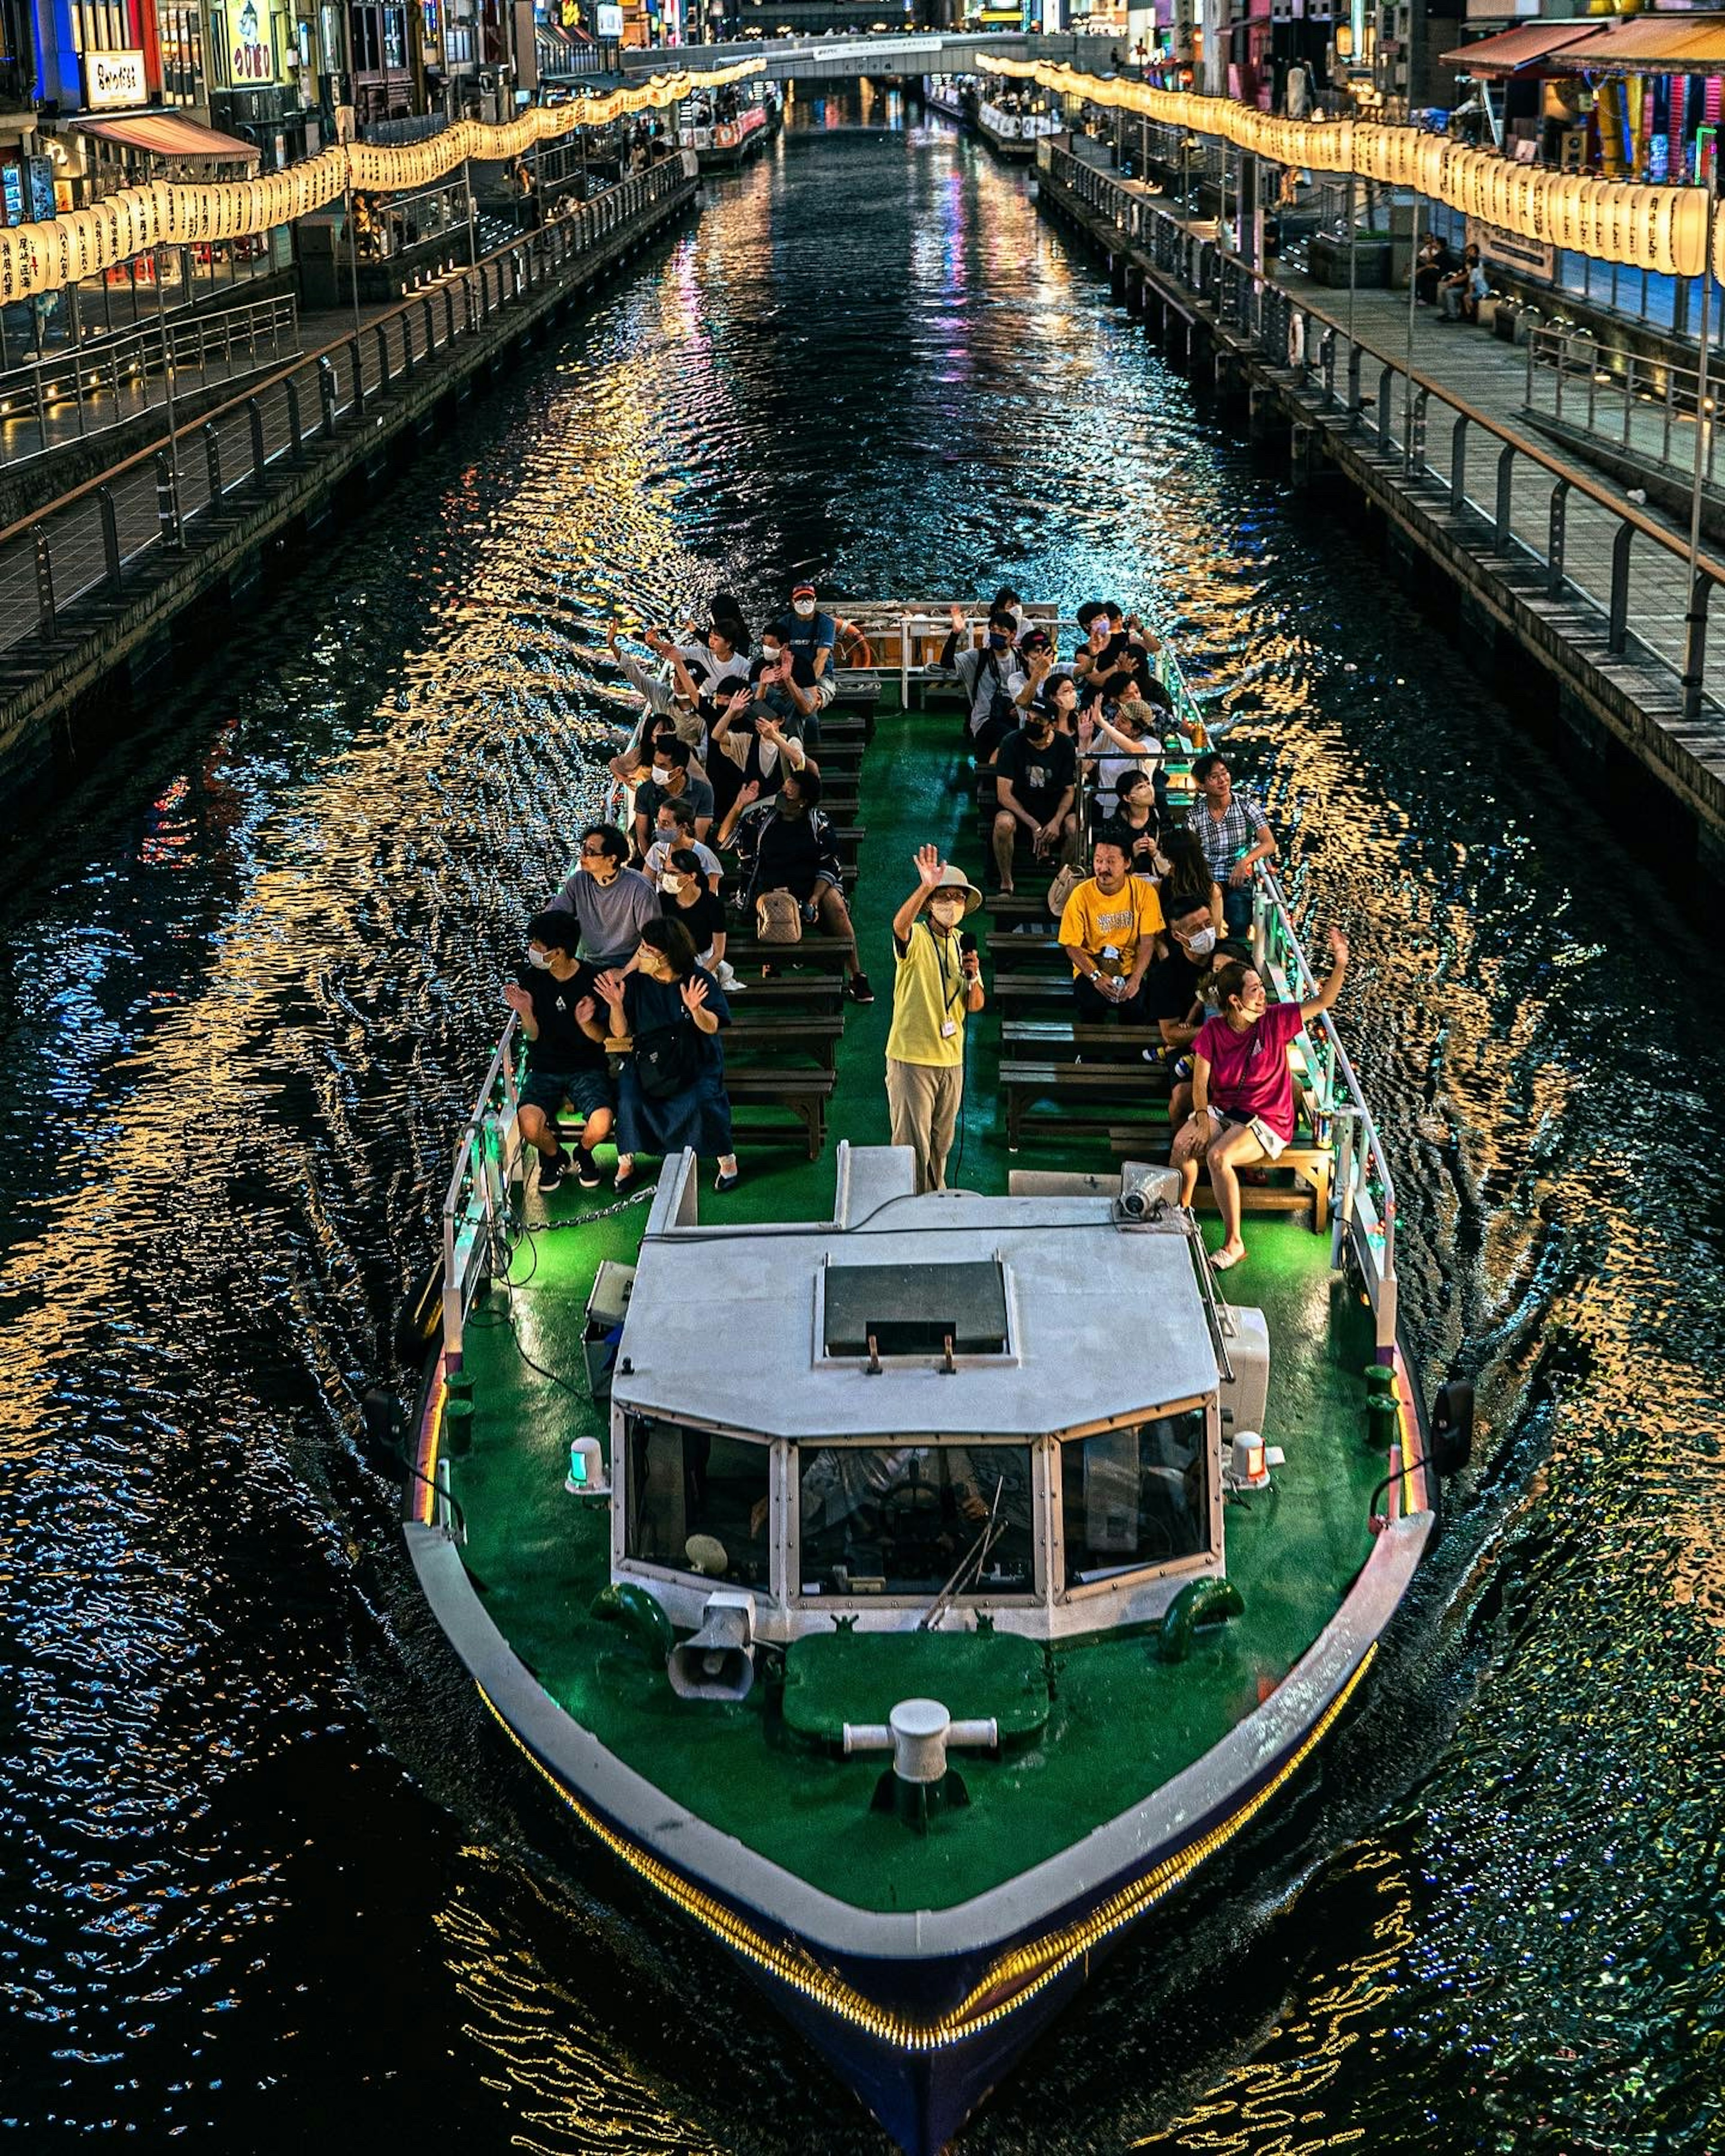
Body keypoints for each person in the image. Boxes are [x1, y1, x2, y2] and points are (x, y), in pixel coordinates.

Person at [1168, 931, 1349, 1270]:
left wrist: (1340, 963)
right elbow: (1200, 1083)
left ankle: (1234, 1243)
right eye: (1255, 990)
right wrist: (1204, 1121)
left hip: (1268, 1117)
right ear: (1235, 1001)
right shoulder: (1213, 1032)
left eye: (1261, 988)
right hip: (1226, 1109)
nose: (1263, 995)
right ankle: (1180, 1214)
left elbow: (1323, 1001)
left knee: (1219, 1156)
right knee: (1183, 1144)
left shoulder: (1277, 1021)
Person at [586, 916, 740, 1193]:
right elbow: (620, 1034)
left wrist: (696, 1010)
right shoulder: (637, 982)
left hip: (695, 1056)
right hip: (649, 1058)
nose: (641, 954)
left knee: (704, 1098)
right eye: (642, 946)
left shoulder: (699, 979)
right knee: (631, 1098)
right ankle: (626, 1162)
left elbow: (713, 1025)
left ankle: (726, 1159)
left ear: (668, 954)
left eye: (649, 950)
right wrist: (616, 1005)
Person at [723, 766, 873, 1003]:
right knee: (773, 905)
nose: (781, 797)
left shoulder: (818, 822)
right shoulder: (764, 816)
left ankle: (856, 975)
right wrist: (739, 806)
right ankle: (770, 964)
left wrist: (814, 899)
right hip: (770, 887)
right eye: (782, 791)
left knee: (836, 906)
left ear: (803, 802)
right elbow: (724, 840)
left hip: (811, 888)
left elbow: (830, 865)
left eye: (789, 795)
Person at [885, 846, 985, 1194]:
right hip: (912, 1058)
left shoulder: (963, 944)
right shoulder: (916, 937)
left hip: (951, 1061)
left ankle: (934, 1204)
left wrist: (972, 977)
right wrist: (925, 886)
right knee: (912, 1147)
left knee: (942, 1145)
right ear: (930, 903)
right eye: (945, 896)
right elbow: (899, 926)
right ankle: (907, 1212)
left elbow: (976, 1004)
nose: (953, 903)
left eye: (958, 897)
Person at [502, 910, 613, 1191]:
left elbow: (603, 1037)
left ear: (559, 952)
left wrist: (586, 1023)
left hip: (587, 1066)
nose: (533, 951)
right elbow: (533, 1036)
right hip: (545, 1067)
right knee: (528, 1124)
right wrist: (526, 1012)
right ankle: (554, 1156)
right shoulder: (532, 979)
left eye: (539, 947)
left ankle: (584, 1152)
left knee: (602, 1122)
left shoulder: (592, 979)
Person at [1058, 830, 1165, 1024]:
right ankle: (1090, 1055)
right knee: (1091, 1005)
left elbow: (1148, 941)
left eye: (1111, 861)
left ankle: (1128, 1055)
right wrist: (1096, 977)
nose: (1103, 868)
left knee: (1137, 1007)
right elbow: (1071, 945)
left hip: (1130, 968)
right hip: (1091, 968)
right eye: (1099, 861)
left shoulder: (1144, 892)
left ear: (1127, 863)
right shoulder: (1080, 895)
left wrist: (1136, 979)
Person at [1186, 752, 1276, 937]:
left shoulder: (1246, 805)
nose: (1223, 780)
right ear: (1202, 786)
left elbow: (1269, 843)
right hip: (1207, 881)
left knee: (1239, 920)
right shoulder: (1194, 815)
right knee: (1199, 923)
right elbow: (1189, 852)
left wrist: (1244, 862)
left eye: (1224, 773)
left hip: (1238, 879)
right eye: (1214, 777)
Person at [991, 702, 1078, 893]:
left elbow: (1069, 791)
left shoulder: (1065, 745)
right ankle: (1006, 883)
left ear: (1052, 725)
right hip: (1021, 811)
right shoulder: (1011, 742)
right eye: (1029, 719)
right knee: (1003, 823)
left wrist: (1056, 821)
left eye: (1038, 721)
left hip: (1054, 811)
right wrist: (1034, 825)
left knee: (1075, 826)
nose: (1031, 724)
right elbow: (1004, 794)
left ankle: (1063, 883)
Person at [549, 823, 661, 968]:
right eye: (583, 848)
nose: (583, 856)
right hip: (588, 964)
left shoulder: (640, 889)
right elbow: (554, 916)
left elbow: (653, 942)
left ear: (611, 859)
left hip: (629, 967)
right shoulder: (578, 882)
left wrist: (624, 973)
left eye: (590, 852)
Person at [940, 602, 1030, 761]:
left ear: (1013, 635)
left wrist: (1020, 709)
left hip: (1014, 718)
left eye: (1003, 631)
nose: (997, 634)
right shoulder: (978, 658)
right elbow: (946, 663)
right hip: (986, 720)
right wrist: (955, 633)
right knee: (1011, 738)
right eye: (994, 630)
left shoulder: (1021, 660)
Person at [708, 689, 806, 822]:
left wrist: (774, 736)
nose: (763, 723)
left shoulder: (791, 741)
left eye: (769, 719)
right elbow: (717, 736)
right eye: (760, 719)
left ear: (781, 720)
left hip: (783, 811)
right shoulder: (747, 741)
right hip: (753, 813)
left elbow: (798, 760)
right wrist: (731, 711)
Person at [659, 845, 734, 987]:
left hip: (703, 961)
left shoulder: (713, 904)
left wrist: (700, 974)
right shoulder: (664, 900)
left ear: (692, 876)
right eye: (666, 872)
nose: (667, 877)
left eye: (673, 873)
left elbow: (718, 953)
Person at [631, 735, 713, 858]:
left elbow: (700, 837)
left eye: (662, 766)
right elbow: (642, 834)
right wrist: (651, 862)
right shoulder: (645, 791)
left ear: (678, 771)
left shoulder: (703, 791)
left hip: (689, 854)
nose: (656, 770)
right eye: (655, 764)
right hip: (656, 851)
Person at [766, 581, 838, 720]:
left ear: (815, 600)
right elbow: (777, 656)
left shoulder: (827, 623)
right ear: (793, 602)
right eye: (800, 599)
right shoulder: (783, 624)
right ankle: (777, 728)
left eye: (808, 599)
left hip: (820, 677)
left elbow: (822, 658)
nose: (804, 603)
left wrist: (808, 685)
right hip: (790, 676)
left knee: (811, 704)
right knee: (768, 700)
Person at [1155, 823, 1225, 938]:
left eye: (1165, 856)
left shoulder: (1212, 891)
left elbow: (1215, 934)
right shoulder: (1159, 888)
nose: (1161, 858)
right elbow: (1158, 934)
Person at [642, 798, 722, 893]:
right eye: (658, 822)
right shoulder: (657, 849)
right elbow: (645, 885)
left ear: (684, 826)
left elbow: (711, 896)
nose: (660, 828)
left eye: (666, 823)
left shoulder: (705, 856)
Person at [1439, 243, 1488, 324]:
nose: (1469, 252)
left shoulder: (1476, 265)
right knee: (1445, 291)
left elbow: (1468, 280)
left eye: (1472, 250)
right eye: (1468, 250)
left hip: (1473, 289)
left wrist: (1453, 282)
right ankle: (1448, 313)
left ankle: (1454, 315)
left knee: (1450, 293)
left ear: (1476, 253)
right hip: (1467, 286)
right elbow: (1460, 274)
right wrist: (1452, 280)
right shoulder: (1467, 261)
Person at [1414, 231, 1448, 307]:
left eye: (1435, 242)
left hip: (1442, 273)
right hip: (1436, 271)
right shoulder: (1438, 252)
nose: (1434, 244)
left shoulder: (1442, 254)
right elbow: (1423, 259)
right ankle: (1418, 296)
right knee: (1422, 274)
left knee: (1424, 274)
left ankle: (1423, 298)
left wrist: (1421, 269)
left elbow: (1432, 264)